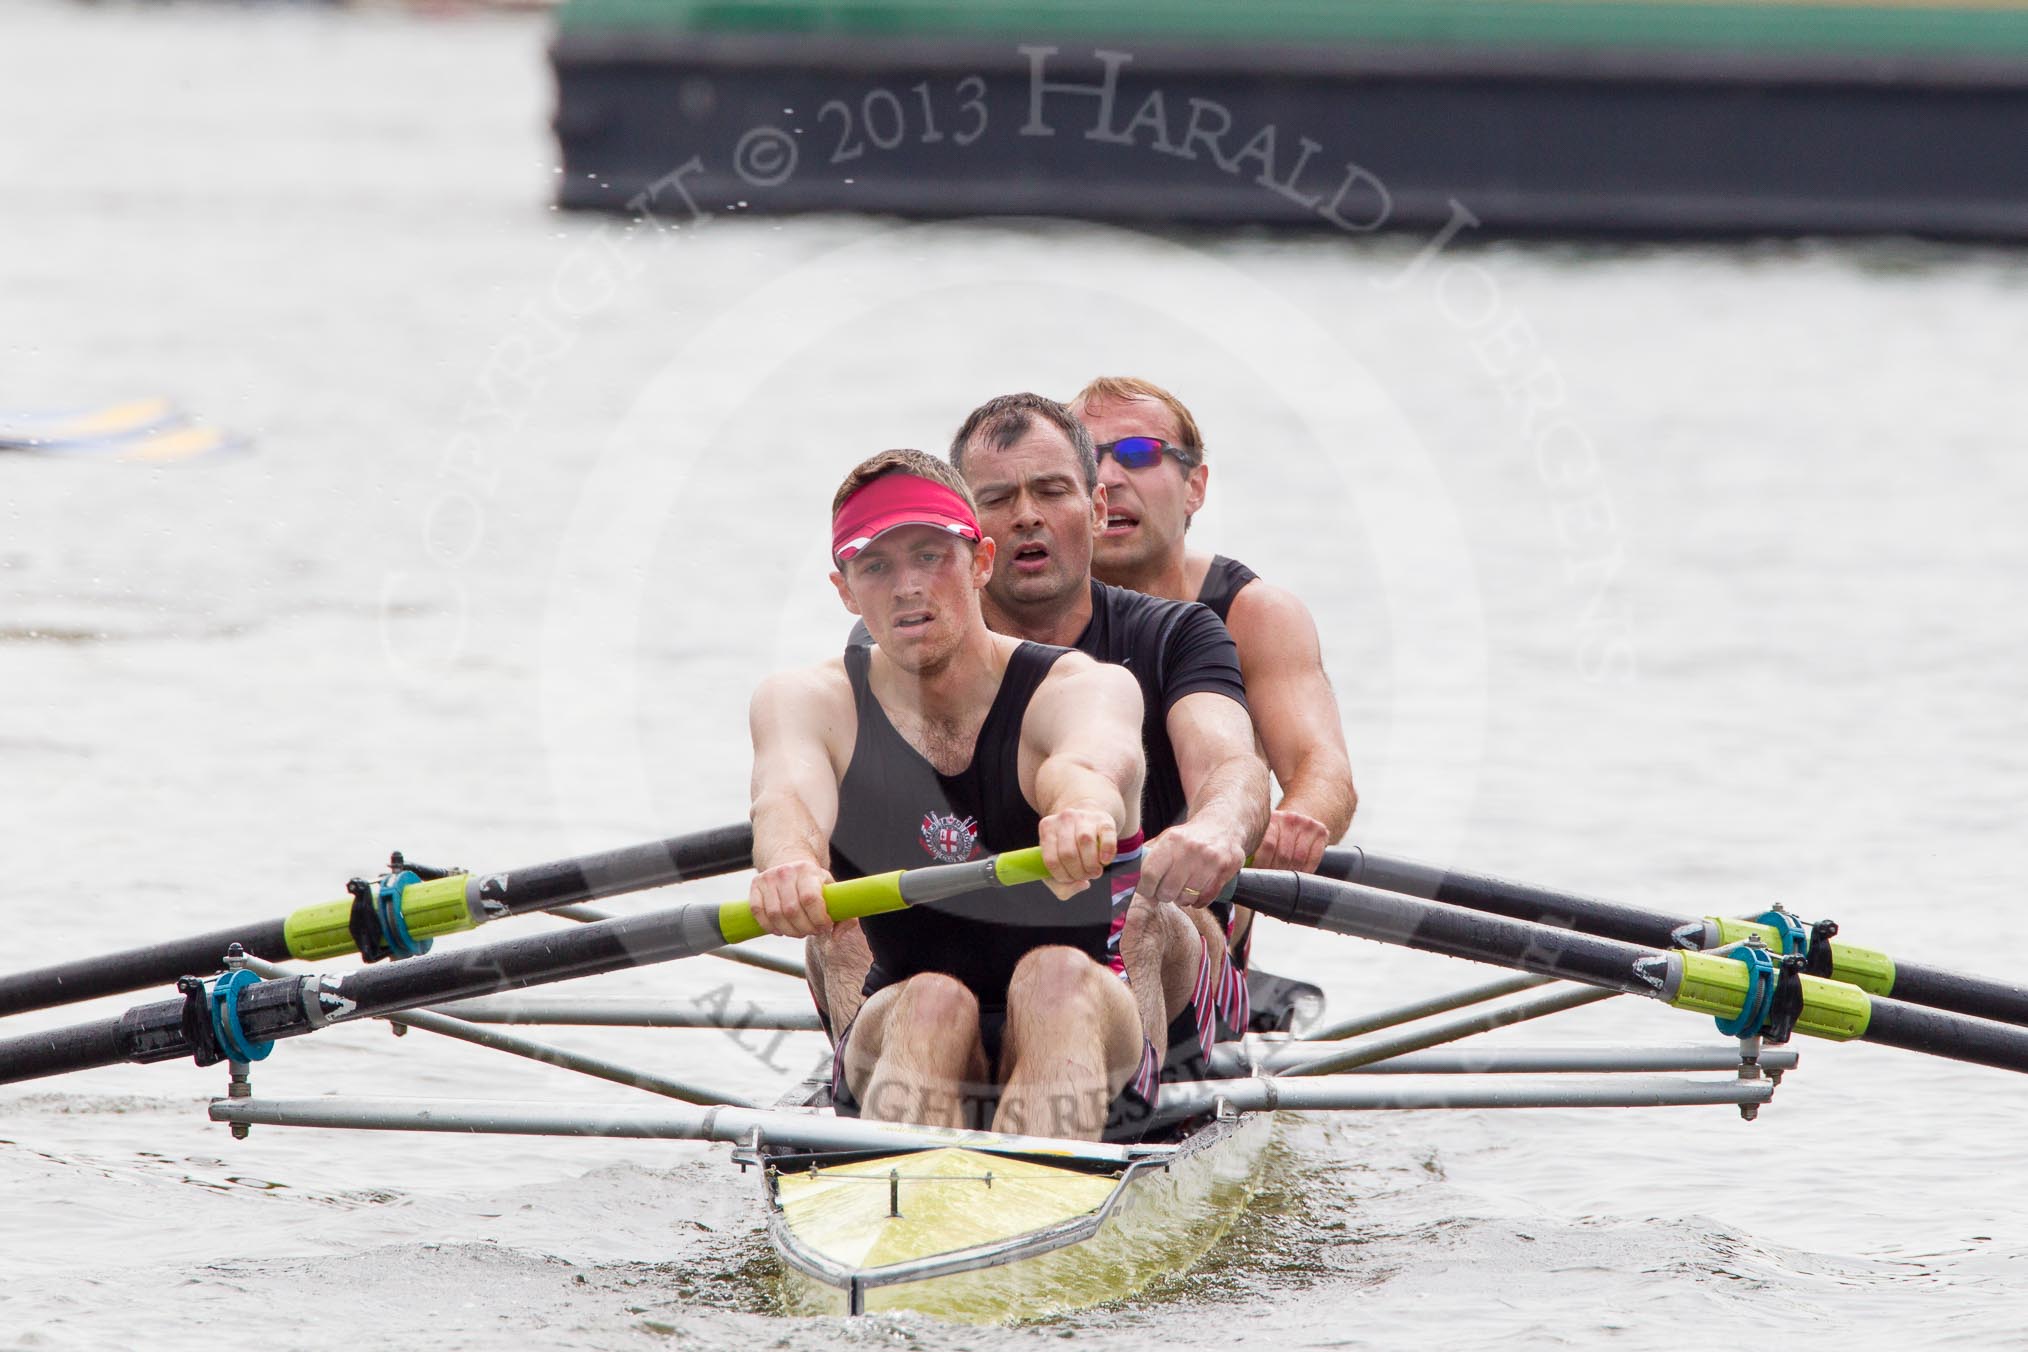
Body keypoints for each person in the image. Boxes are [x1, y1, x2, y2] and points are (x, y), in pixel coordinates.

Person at [811, 395, 1269, 1084]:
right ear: (973, 539)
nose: (1027, 513)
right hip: (946, 954)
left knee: (1140, 907)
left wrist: (1218, 828)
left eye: (1052, 491)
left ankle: (1119, 1120)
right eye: (997, 496)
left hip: (1142, 938)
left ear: (1095, 510)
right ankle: (870, 1116)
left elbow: (1232, 764)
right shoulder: (893, 649)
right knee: (840, 916)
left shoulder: (1178, 633)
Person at [746, 448, 1171, 1143]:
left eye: (930, 557)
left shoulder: (1079, 685)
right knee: (934, 1002)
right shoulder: (805, 700)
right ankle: (913, 1217)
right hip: (908, 1018)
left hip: (1087, 1014)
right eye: (875, 566)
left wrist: (1081, 813)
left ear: (980, 563)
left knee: (1055, 978)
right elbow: (785, 799)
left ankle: (1023, 1207)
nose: (907, 586)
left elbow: (1092, 762)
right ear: (845, 590)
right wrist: (790, 863)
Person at [1070, 376, 1358, 962]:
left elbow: (1320, 767)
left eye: (1138, 455)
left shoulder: (1255, 615)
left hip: (1188, 905)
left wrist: (1294, 820)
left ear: (1195, 485)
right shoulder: (1015, 608)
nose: (1109, 478)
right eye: (1085, 459)